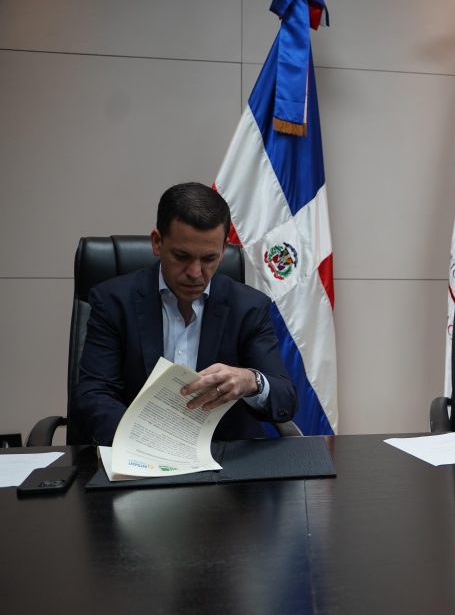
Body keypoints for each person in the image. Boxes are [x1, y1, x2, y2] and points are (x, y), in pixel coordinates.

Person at [71, 182, 297, 445]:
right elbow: (94, 394)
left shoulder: (249, 307)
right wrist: (143, 441)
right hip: (137, 453)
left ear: (224, 249)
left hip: (223, 459)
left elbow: (285, 398)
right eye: (182, 256)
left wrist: (251, 381)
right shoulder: (113, 302)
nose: (195, 273)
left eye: (209, 259)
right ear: (157, 242)